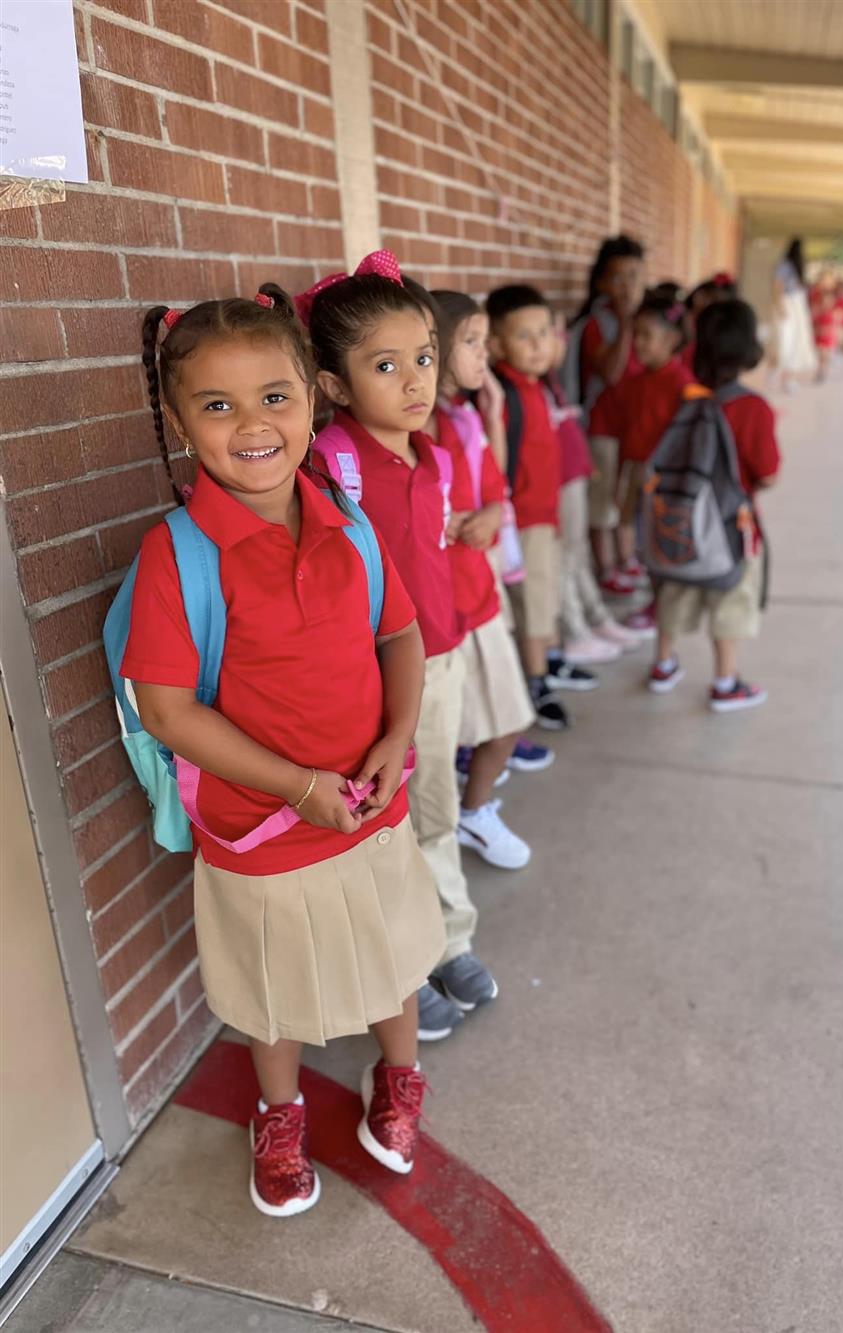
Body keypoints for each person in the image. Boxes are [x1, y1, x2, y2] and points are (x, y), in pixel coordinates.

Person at [122, 289, 445, 1216]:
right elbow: (171, 712)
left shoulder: (347, 519)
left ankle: (400, 1074)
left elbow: (402, 637)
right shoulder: (175, 553)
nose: (253, 424)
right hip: (263, 825)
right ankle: (279, 1107)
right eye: (217, 405)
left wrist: (396, 733)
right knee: (273, 990)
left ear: (313, 398)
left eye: (275, 396)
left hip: (367, 808)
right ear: (178, 421)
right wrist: (298, 786)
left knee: (392, 958)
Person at [301, 252, 498, 1044]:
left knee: (436, 812)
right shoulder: (329, 466)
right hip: (370, 681)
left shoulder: (436, 455)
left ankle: (451, 939)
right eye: (387, 366)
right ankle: (405, 970)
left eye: (423, 357)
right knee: (385, 828)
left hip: (439, 658)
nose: (417, 381)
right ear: (335, 386)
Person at [426, 289, 535, 870]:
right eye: (470, 342)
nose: (483, 353)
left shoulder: (466, 415)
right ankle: (459, 817)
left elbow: (494, 489)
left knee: (508, 719)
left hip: (479, 595)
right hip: (448, 609)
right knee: (446, 740)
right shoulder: (425, 426)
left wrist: (490, 514)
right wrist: (451, 523)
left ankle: (475, 809)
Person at [649, 299, 781, 711]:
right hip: (731, 525)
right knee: (730, 599)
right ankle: (725, 682)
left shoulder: (684, 399)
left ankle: (663, 663)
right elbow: (769, 472)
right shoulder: (753, 408)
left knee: (675, 591)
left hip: (681, 519)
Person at [486, 283, 573, 730]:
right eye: (525, 336)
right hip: (523, 521)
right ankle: (537, 681)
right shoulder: (504, 396)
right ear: (497, 344)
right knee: (533, 605)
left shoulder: (537, 386)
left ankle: (550, 661)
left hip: (545, 515)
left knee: (545, 595)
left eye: (545, 332)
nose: (540, 344)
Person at [590, 291, 693, 638]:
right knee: (642, 540)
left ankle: (661, 604)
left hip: (663, 476)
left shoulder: (682, 384)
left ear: (673, 339)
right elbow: (625, 430)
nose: (638, 343)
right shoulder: (635, 382)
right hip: (635, 469)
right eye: (636, 334)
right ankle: (654, 599)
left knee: (659, 541)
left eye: (647, 335)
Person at [563, 235, 646, 592]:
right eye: (618, 277)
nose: (627, 285)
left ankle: (627, 559)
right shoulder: (598, 324)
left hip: (633, 429)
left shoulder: (646, 320)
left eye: (634, 275)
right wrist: (627, 322)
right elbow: (611, 371)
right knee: (602, 505)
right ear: (601, 283)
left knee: (624, 501)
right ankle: (607, 567)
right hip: (602, 429)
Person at [770, 239, 817, 393]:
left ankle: (789, 378)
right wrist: (781, 306)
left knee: (796, 342)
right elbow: (777, 286)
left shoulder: (797, 267)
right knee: (785, 340)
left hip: (797, 305)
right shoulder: (785, 265)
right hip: (788, 304)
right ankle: (778, 372)